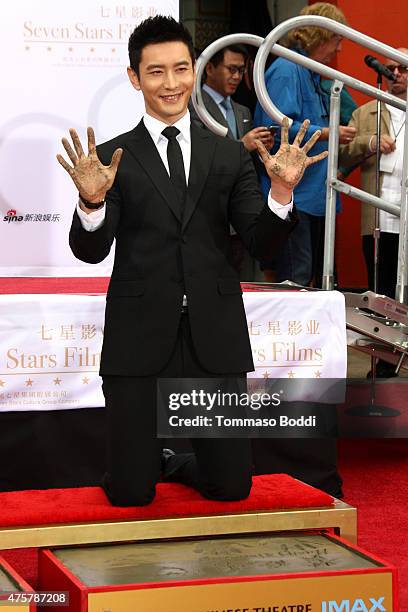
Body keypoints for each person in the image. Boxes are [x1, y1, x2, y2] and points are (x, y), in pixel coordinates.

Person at [57, 16, 327, 507]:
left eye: (181, 69)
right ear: (135, 78)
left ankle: (173, 462)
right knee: (130, 495)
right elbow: (90, 249)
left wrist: (282, 191)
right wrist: (92, 203)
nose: (171, 83)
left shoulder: (227, 155)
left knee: (231, 488)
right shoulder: (111, 157)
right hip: (138, 333)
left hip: (213, 332)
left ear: (194, 73)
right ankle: (137, 465)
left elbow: (261, 242)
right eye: (156, 72)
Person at [254, 2, 356, 287]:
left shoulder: (309, 72)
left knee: (310, 277)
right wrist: (328, 132)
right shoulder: (287, 69)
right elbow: (276, 127)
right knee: (294, 278)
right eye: (337, 40)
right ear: (319, 35)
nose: (339, 50)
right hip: (294, 195)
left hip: (314, 195)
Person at [339, 48, 408, 377]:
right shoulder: (367, 112)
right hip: (379, 219)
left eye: (404, 69)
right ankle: (383, 366)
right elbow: (342, 152)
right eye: (391, 68)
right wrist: (368, 143)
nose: (397, 75)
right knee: (380, 296)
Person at [190, 43, 274, 280]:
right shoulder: (192, 106)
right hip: (206, 211)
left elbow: (245, 161)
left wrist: (260, 148)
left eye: (241, 71)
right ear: (209, 69)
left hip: (239, 212)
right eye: (231, 69)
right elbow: (198, 154)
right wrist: (242, 146)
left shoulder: (242, 111)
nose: (237, 76)